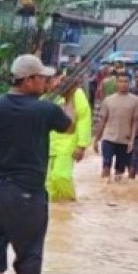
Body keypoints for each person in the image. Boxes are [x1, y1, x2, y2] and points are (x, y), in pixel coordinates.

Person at [0, 54, 74, 274]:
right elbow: (69, 127)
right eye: (42, 79)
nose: (46, 83)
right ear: (29, 80)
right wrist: (70, 97)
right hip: (28, 196)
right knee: (30, 258)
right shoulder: (46, 110)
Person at [45, 70, 93, 201]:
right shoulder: (51, 96)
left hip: (68, 142)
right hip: (48, 143)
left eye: (63, 80)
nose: (60, 83)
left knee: (61, 175)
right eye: (58, 80)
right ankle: (56, 210)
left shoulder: (77, 95)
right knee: (47, 180)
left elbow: (84, 119)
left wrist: (81, 145)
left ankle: (70, 202)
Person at [94, 72, 138, 181]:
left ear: (130, 83)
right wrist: (96, 140)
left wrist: (132, 141)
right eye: (121, 81)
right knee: (106, 165)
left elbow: (135, 122)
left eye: (126, 81)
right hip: (108, 138)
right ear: (116, 83)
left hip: (124, 140)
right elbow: (102, 121)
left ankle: (118, 193)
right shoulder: (108, 100)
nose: (123, 84)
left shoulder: (135, 100)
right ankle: (105, 191)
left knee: (119, 171)